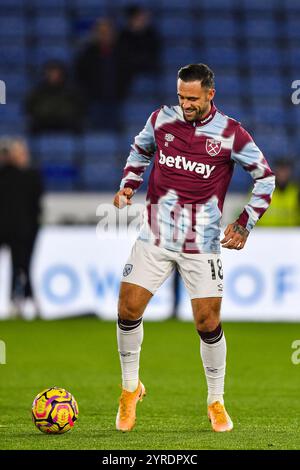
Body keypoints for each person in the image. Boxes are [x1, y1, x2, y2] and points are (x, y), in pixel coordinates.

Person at [113, 64, 275, 433]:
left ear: (210, 95)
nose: (184, 104)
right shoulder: (161, 120)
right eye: (180, 97)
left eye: (192, 99)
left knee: (208, 322)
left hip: (201, 240)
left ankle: (215, 400)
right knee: (127, 307)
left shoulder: (231, 133)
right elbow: (140, 150)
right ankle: (129, 389)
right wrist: (128, 184)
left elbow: (265, 176)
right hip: (155, 233)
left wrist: (245, 222)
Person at [0, 137, 43, 318]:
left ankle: (23, 300)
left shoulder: (31, 176)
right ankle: (20, 301)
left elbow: (36, 204)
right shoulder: (6, 175)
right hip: (7, 228)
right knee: (19, 266)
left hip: (24, 231)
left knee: (22, 266)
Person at [75, 18, 121, 130]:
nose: (105, 35)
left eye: (107, 32)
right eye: (101, 32)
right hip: (93, 100)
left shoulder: (121, 52)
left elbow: (126, 73)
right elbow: (80, 75)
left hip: (116, 99)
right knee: (96, 135)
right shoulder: (88, 53)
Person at [25, 60, 84, 134]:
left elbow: (80, 107)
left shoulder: (72, 91)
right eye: (51, 73)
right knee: (33, 127)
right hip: (43, 121)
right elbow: (29, 107)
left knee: (78, 126)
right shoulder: (38, 91)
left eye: (56, 73)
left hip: (66, 121)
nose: (54, 76)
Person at [117, 4, 161, 99]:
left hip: (149, 73)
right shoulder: (123, 36)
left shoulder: (151, 34)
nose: (143, 19)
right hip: (128, 75)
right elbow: (123, 58)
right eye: (140, 16)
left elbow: (154, 55)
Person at [257, 158, 300, 226]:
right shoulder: (260, 190)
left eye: (285, 170)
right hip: (263, 234)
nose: (283, 174)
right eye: (280, 169)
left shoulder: (297, 192)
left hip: (291, 234)